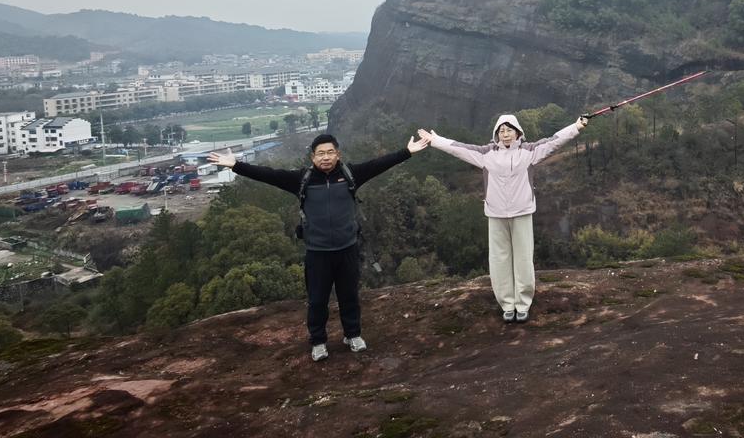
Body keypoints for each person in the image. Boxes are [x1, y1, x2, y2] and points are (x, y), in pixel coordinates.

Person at [206, 132, 430, 361]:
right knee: (317, 300)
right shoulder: (302, 179)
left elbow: (378, 164)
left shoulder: (350, 174)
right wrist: (235, 165)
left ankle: (352, 335)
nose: (326, 157)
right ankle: (318, 341)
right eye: (321, 153)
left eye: (330, 152)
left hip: (347, 249)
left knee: (349, 296)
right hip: (317, 253)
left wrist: (407, 152)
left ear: (338, 154)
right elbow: (268, 175)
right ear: (312, 157)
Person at [418, 114, 587, 324]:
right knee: (499, 260)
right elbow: (459, 148)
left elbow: (554, 140)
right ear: (496, 134)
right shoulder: (486, 154)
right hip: (496, 214)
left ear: (518, 131)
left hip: (522, 212)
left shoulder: (529, 152)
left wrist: (577, 126)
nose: (505, 135)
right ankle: (507, 304)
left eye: (509, 130)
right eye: (501, 131)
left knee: (524, 258)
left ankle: (523, 304)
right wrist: (436, 141)